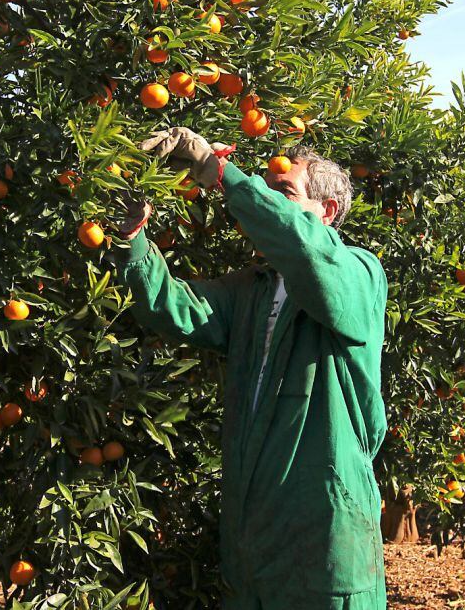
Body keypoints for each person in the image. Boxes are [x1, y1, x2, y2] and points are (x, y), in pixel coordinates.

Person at [115, 127, 389, 609]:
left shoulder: (358, 273)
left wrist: (223, 174)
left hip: (322, 528)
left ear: (325, 211)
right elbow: (173, 307)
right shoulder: (252, 288)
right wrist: (133, 237)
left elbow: (308, 252)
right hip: (252, 533)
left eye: (282, 193)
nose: (264, 202)